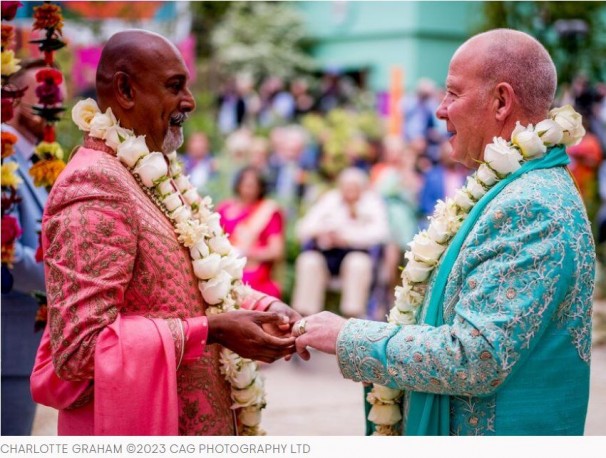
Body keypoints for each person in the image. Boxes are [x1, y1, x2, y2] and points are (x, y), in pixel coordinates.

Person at [293, 29, 595, 435]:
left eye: (453, 93)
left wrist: (348, 336)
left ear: (501, 101)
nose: (440, 110)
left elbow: (477, 357)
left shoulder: (529, 206)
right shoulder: (514, 188)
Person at [29, 30, 300, 436]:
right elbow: (82, 348)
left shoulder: (150, 170)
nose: (189, 101)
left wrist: (261, 306)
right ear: (125, 89)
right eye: (175, 86)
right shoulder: (94, 184)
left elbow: (181, 285)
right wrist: (212, 331)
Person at [1, 59, 60, 435]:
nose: (52, 108)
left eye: (59, 101)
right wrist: (71, 280)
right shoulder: (3, 155)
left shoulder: (38, 157)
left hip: (27, 341)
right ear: (12, 99)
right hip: (9, 341)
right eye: (43, 98)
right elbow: (7, 259)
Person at [292, 168, 389, 318]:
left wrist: (346, 237)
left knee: (358, 264)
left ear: (361, 188)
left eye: (353, 187)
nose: (349, 191)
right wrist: (322, 232)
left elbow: (380, 234)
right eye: (346, 186)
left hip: (356, 252)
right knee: (308, 261)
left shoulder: (372, 202)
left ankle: (351, 318)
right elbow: (303, 228)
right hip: (326, 254)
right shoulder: (330, 199)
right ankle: (305, 318)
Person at [217, 167, 285, 298]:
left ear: (261, 188)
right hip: (225, 265)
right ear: (238, 185)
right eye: (246, 185)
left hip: (253, 270)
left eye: (253, 186)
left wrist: (245, 252)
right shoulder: (225, 208)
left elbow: (276, 251)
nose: (249, 189)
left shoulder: (268, 211)